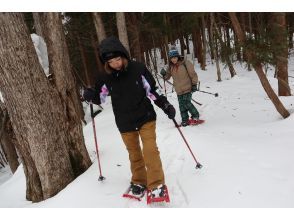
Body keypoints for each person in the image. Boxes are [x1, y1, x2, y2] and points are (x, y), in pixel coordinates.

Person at [83, 36, 175, 202]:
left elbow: (152, 90)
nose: (116, 63)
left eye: (118, 58)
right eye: (111, 61)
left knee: (150, 150)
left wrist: (165, 105)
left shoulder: (138, 69)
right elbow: (100, 98)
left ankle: (156, 185)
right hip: (124, 122)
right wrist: (90, 95)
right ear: (106, 62)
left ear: (123, 55)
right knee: (134, 154)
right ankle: (139, 181)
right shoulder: (104, 77)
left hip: (145, 117)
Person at [160, 46, 201, 127]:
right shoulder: (170, 67)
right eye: (172, 58)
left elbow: (193, 74)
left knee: (187, 103)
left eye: (175, 57)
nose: (173, 60)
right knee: (181, 106)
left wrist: (194, 84)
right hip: (179, 90)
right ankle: (185, 120)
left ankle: (195, 115)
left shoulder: (185, 63)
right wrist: (164, 74)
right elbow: (167, 77)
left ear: (178, 57)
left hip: (187, 88)